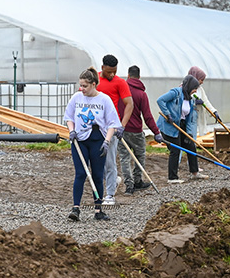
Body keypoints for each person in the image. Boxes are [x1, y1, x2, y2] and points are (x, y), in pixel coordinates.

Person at [64, 67, 121, 221]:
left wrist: (107, 142)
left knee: (97, 175)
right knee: (81, 174)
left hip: (98, 141)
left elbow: (112, 123)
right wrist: (72, 131)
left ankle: (98, 210)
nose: (81, 88)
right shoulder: (76, 98)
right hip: (79, 140)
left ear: (94, 84)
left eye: (85, 86)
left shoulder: (104, 100)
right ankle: (76, 209)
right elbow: (69, 117)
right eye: (80, 85)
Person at [117, 65, 163, 194]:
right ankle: (138, 181)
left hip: (122, 130)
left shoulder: (121, 91)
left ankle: (129, 186)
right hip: (136, 132)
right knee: (140, 156)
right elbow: (147, 116)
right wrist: (156, 132)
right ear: (139, 77)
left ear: (128, 75)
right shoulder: (141, 94)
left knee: (124, 158)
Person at [156, 75, 208, 183]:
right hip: (168, 125)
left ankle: (194, 173)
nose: (195, 91)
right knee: (175, 149)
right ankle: (172, 178)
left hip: (181, 124)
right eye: (194, 88)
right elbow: (160, 100)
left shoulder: (190, 99)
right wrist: (167, 114)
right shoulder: (176, 92)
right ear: (189, 86)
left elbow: (189, 118)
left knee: (190, 146)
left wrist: (189, 133)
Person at [96, 54, 133, 205]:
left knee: (110, 161)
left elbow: (129, 104)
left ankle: (110, 195)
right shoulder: (94, 80)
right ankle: (114, 179)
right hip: (94, 127)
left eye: (115, 71)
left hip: (111, 126)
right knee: (95, 162)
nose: (112, 74)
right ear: (102, 68)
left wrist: (122, 125)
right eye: (109, 71)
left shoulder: (120, 83)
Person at [187, 66, 221, 136]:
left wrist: (214, 112)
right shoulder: (184, 87)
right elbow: (182, 101)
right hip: (189, 117)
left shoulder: (200, 89)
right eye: (201, 80)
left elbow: (205, 101)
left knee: (198, 135)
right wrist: (194, 102)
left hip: (198, 116)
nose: (202, 82)